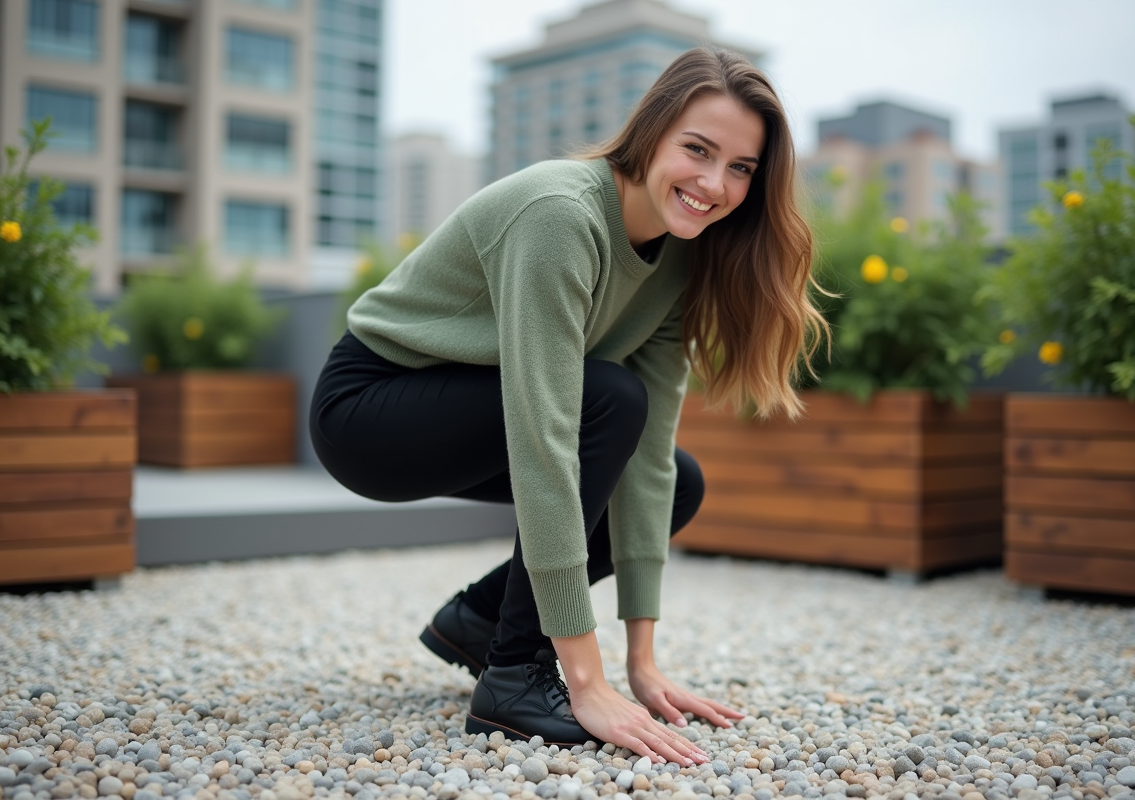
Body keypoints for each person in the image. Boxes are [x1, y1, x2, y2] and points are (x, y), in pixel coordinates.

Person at [309, 47, 826, 765]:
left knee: (678, 479)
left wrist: (641, 665)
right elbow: (547, 430)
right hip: (373, 408)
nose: (714, 184)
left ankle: (479, 622)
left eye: (740, 168)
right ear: (652, 133)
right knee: (607, 397)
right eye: (698, 151)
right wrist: (586, 680)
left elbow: (644, 459)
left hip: (478, 412)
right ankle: (516, 675)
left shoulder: (683, 254)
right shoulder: (561, 214)